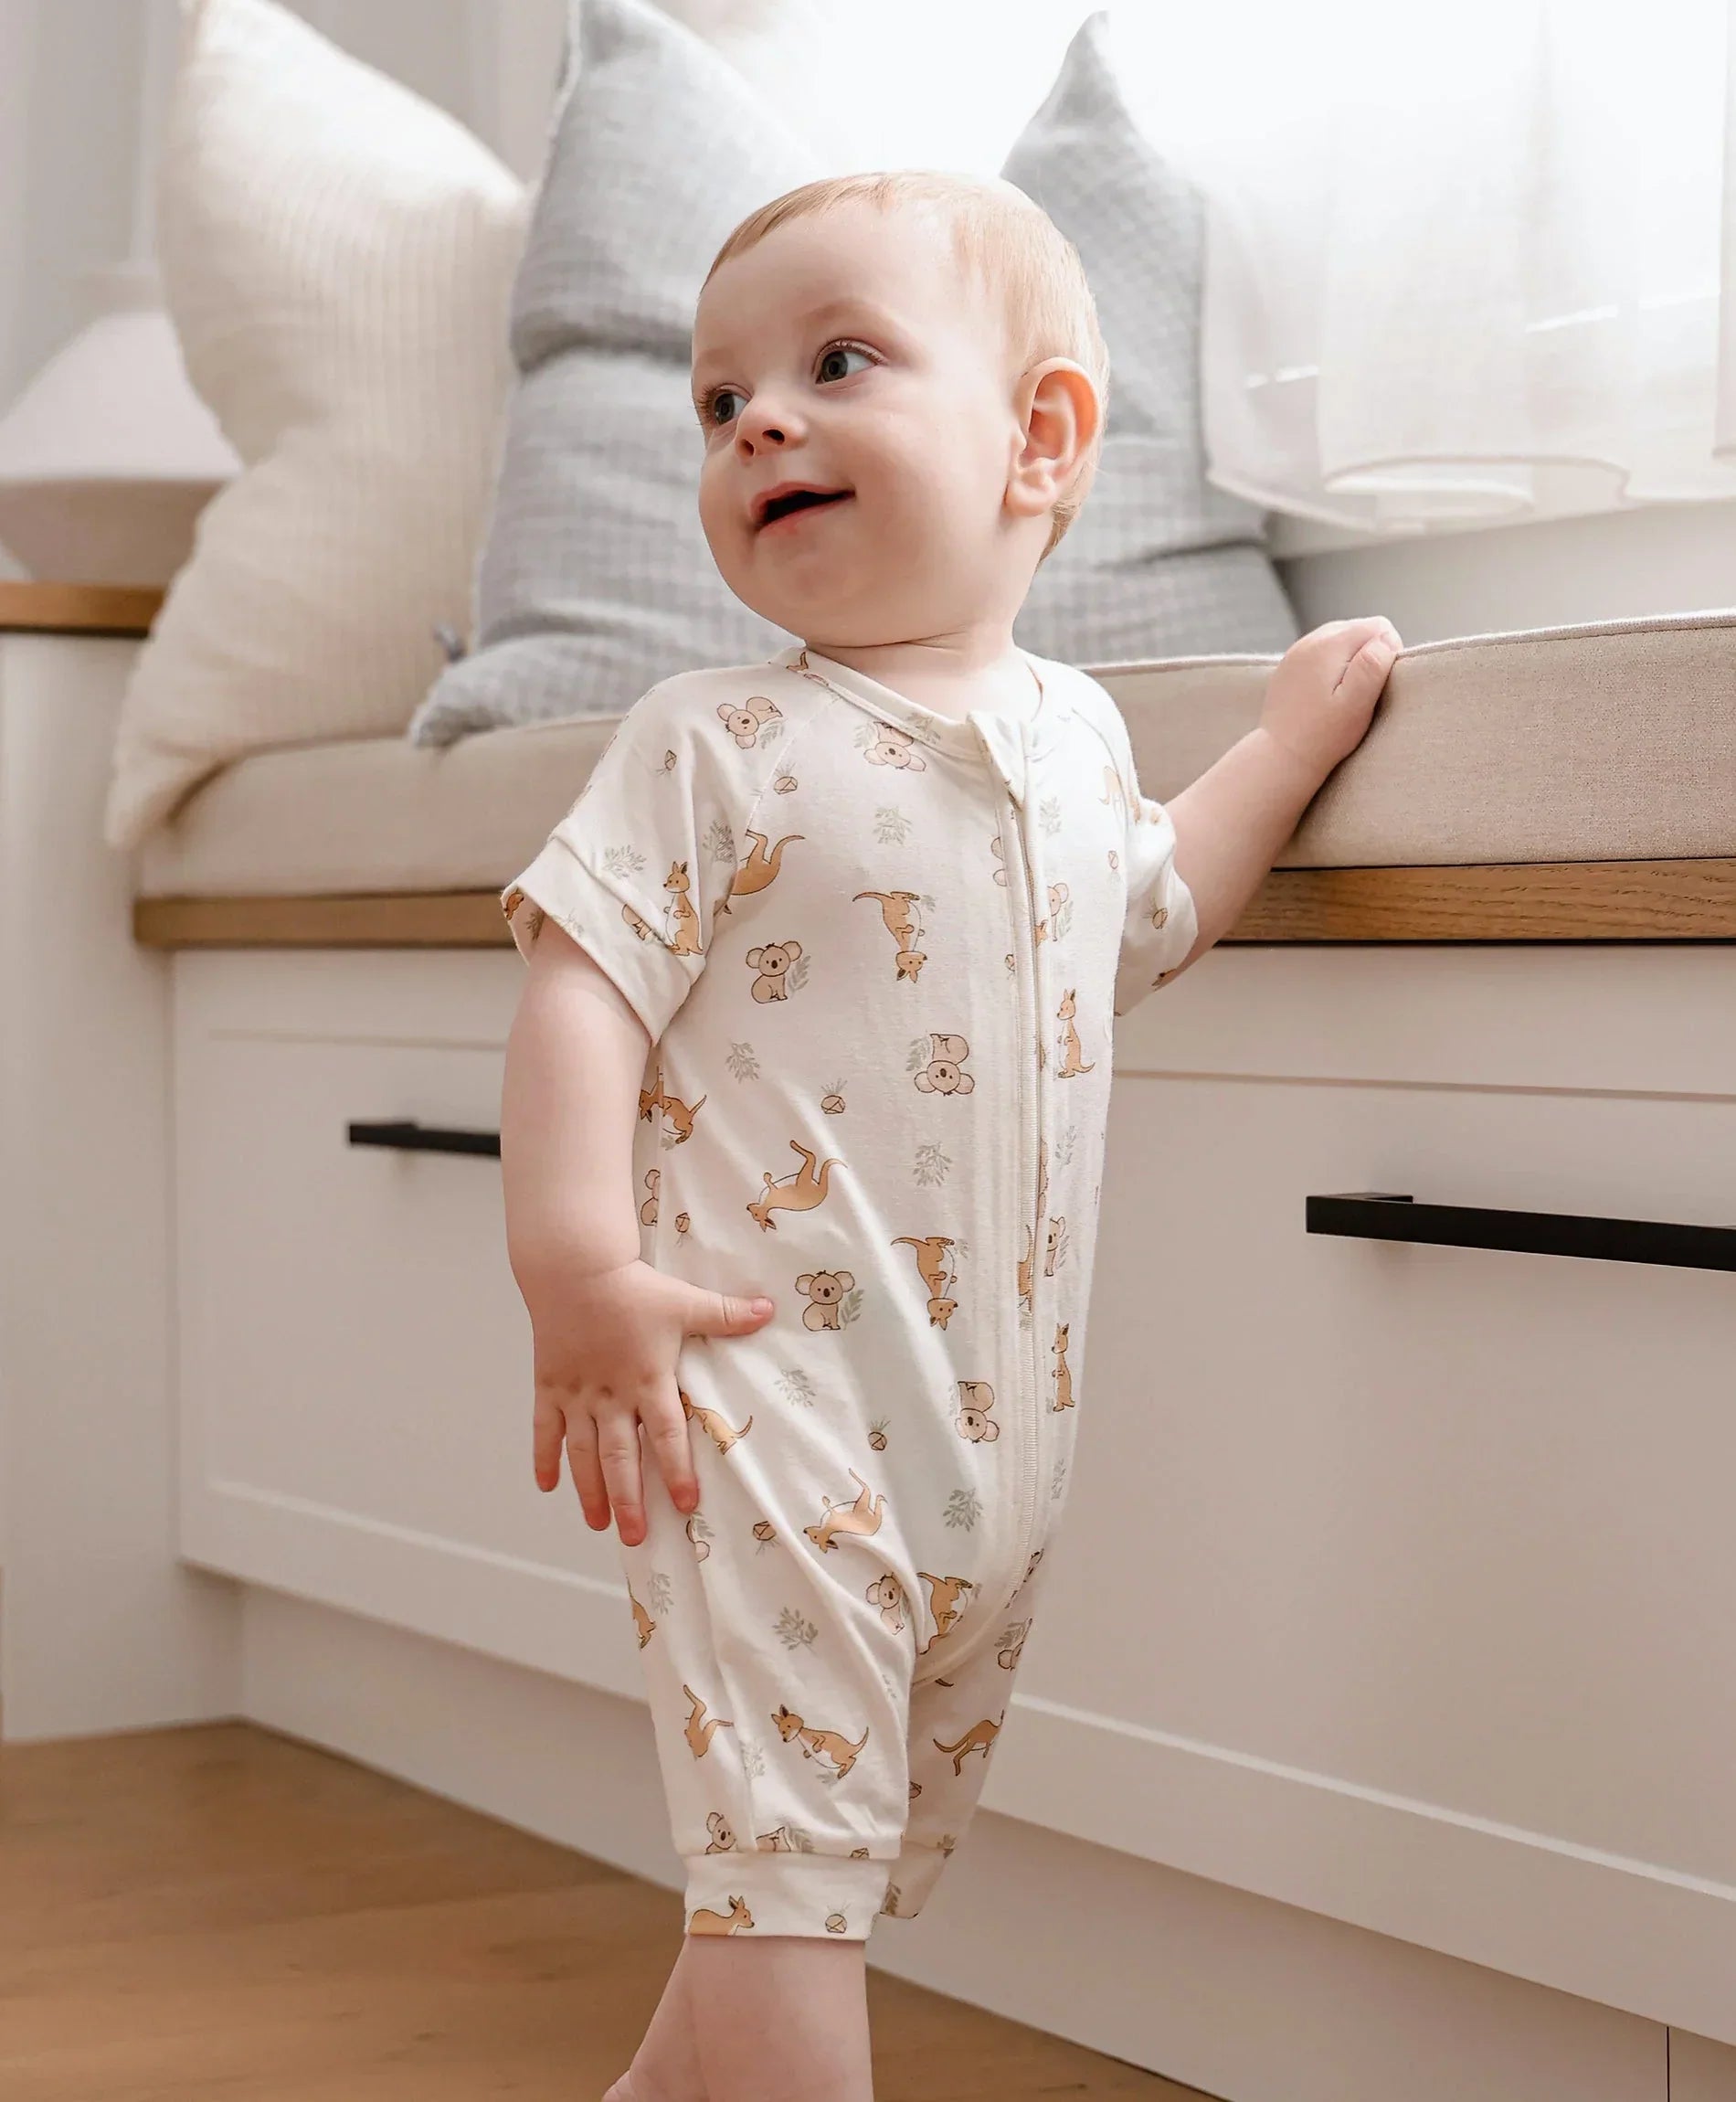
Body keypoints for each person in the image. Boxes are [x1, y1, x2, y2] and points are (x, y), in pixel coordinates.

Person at [497, 168, 1403, 2102]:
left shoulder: (1076, 739)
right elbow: (580, 983)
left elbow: (1151, 912)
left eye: (836, 363)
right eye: (717, 398)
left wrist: (1283, 750)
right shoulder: (708, 739)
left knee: (805, 1865)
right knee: (789, 1878)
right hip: (761, 1405)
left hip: (996, 1442)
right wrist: (575, 1267)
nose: (758, 420)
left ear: (1040, 440)